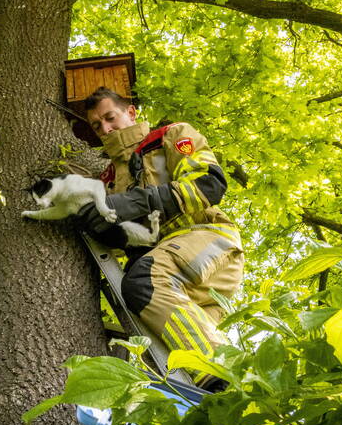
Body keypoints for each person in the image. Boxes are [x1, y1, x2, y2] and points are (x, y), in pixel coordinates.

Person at [77, 87, 243, 390]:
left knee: (143, 282)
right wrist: (107, 227)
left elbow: (209, 184)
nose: (106, 129)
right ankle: (246, 413)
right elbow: (133, 236)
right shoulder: (110, 180)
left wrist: (136, 202)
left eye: (110, 118)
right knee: (181, 358)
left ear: (131, 113)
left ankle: (224, 377)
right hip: (176, 283)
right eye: (97, 126)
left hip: (205, 239)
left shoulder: (171, 135)